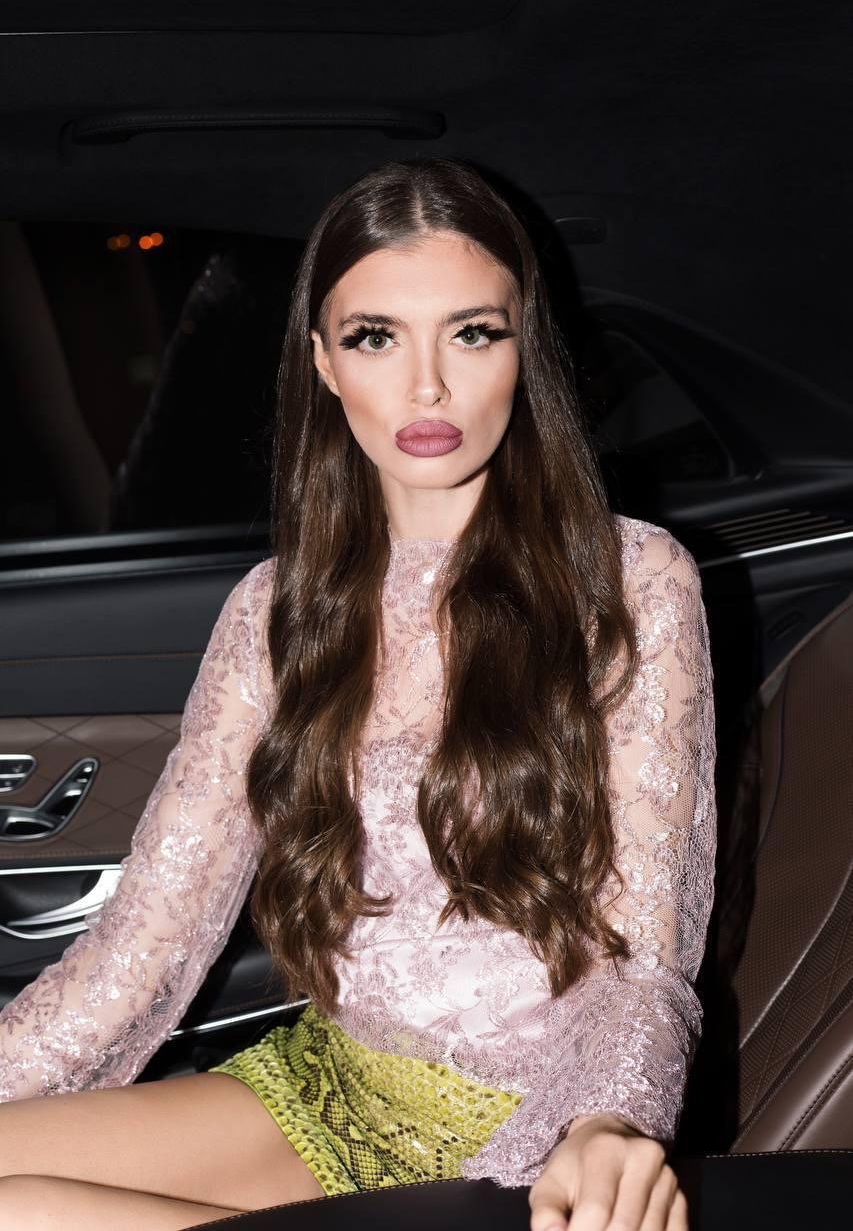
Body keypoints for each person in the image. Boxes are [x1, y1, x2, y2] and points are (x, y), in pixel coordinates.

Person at [0, 158, 716, 1231]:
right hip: (325, 1084)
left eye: (472, 333)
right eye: (377, 337)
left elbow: (642, 955)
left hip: (529, 1131)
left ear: (524, 347)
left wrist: (609, 1118)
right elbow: (140, 949)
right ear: (324, 363)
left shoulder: (631, 579)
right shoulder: (277, 609)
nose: (427, 388)